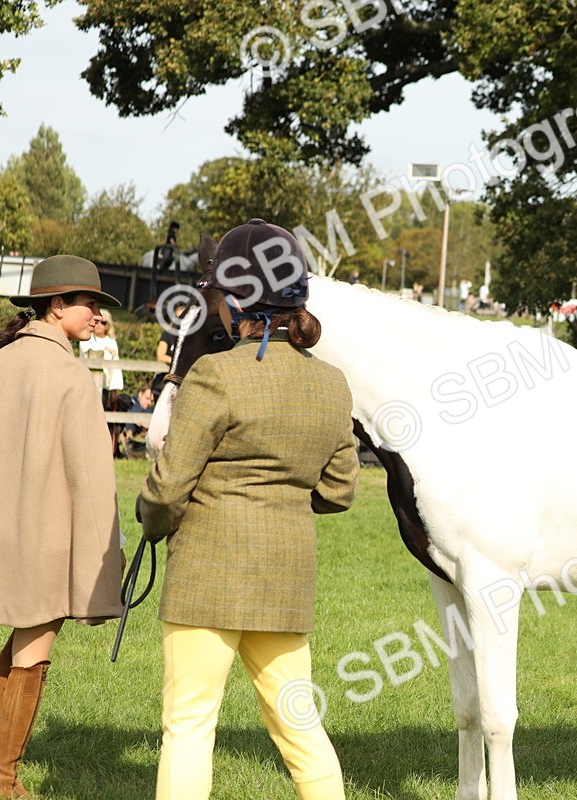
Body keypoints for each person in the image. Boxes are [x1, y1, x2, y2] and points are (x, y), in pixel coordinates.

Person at [139, 219, 358, 800]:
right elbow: (339, 491)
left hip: (208, 575)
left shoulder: (214, 373)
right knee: (300, 726)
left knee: (189, 724)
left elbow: (167, 491)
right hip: (284, 577)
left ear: (238, 301)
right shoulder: (333, 384)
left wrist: (151, 520)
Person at [0, 254, 125, 798]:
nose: (96, 314)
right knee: (37, 638)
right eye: (89, 303)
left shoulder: (1, 361)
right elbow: (89, 475)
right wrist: (103, 543)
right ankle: (4, 777)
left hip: (0, 524)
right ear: (57, 305)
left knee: (27, 629)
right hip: (45, 526)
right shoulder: (65, 372)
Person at [118, 384, 155, 458]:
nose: (149, 403)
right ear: (140, 394)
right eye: (147, 398)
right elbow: (129, 413)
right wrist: (141, 423)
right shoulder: (130, 403)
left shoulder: (150, 409)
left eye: (151, 401)